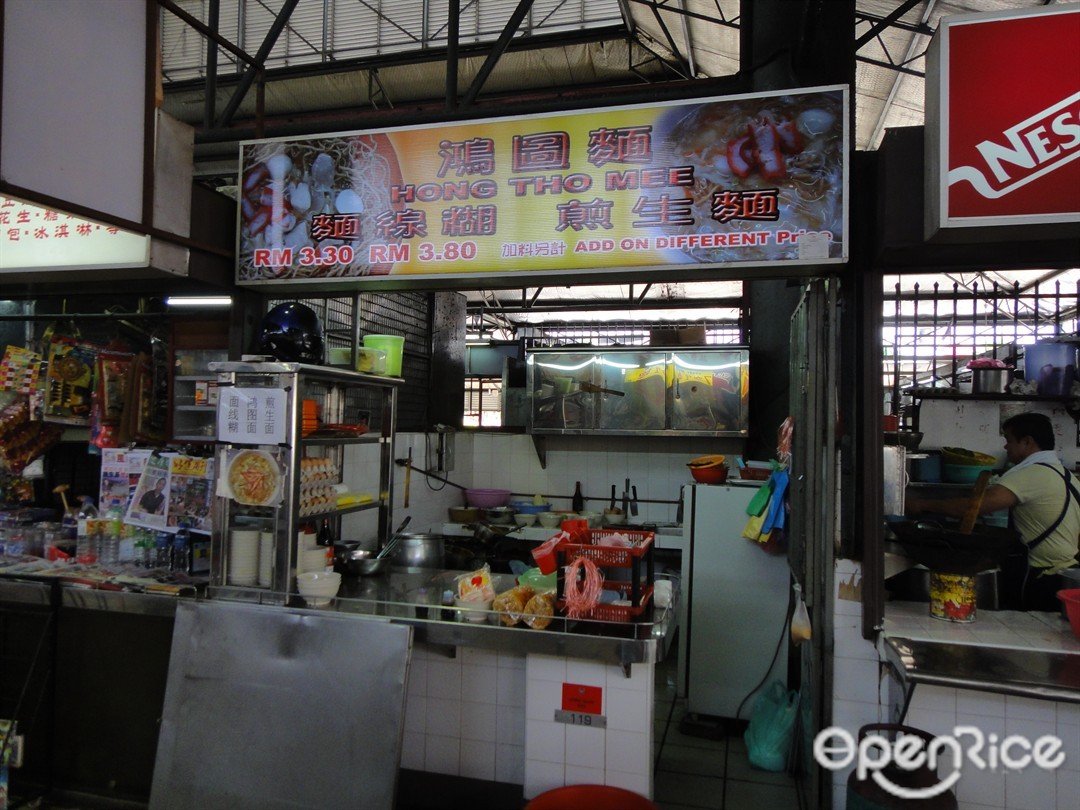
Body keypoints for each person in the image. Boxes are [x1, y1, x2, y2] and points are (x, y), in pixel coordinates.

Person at [906, 412, 1080, 611]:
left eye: (1009, 440)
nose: (1006, 447)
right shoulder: (1066, 475)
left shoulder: (1030, 475)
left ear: (1027, 442)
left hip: (1042, 578)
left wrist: (922, 504)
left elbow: (973, 508)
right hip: (1067, 574)